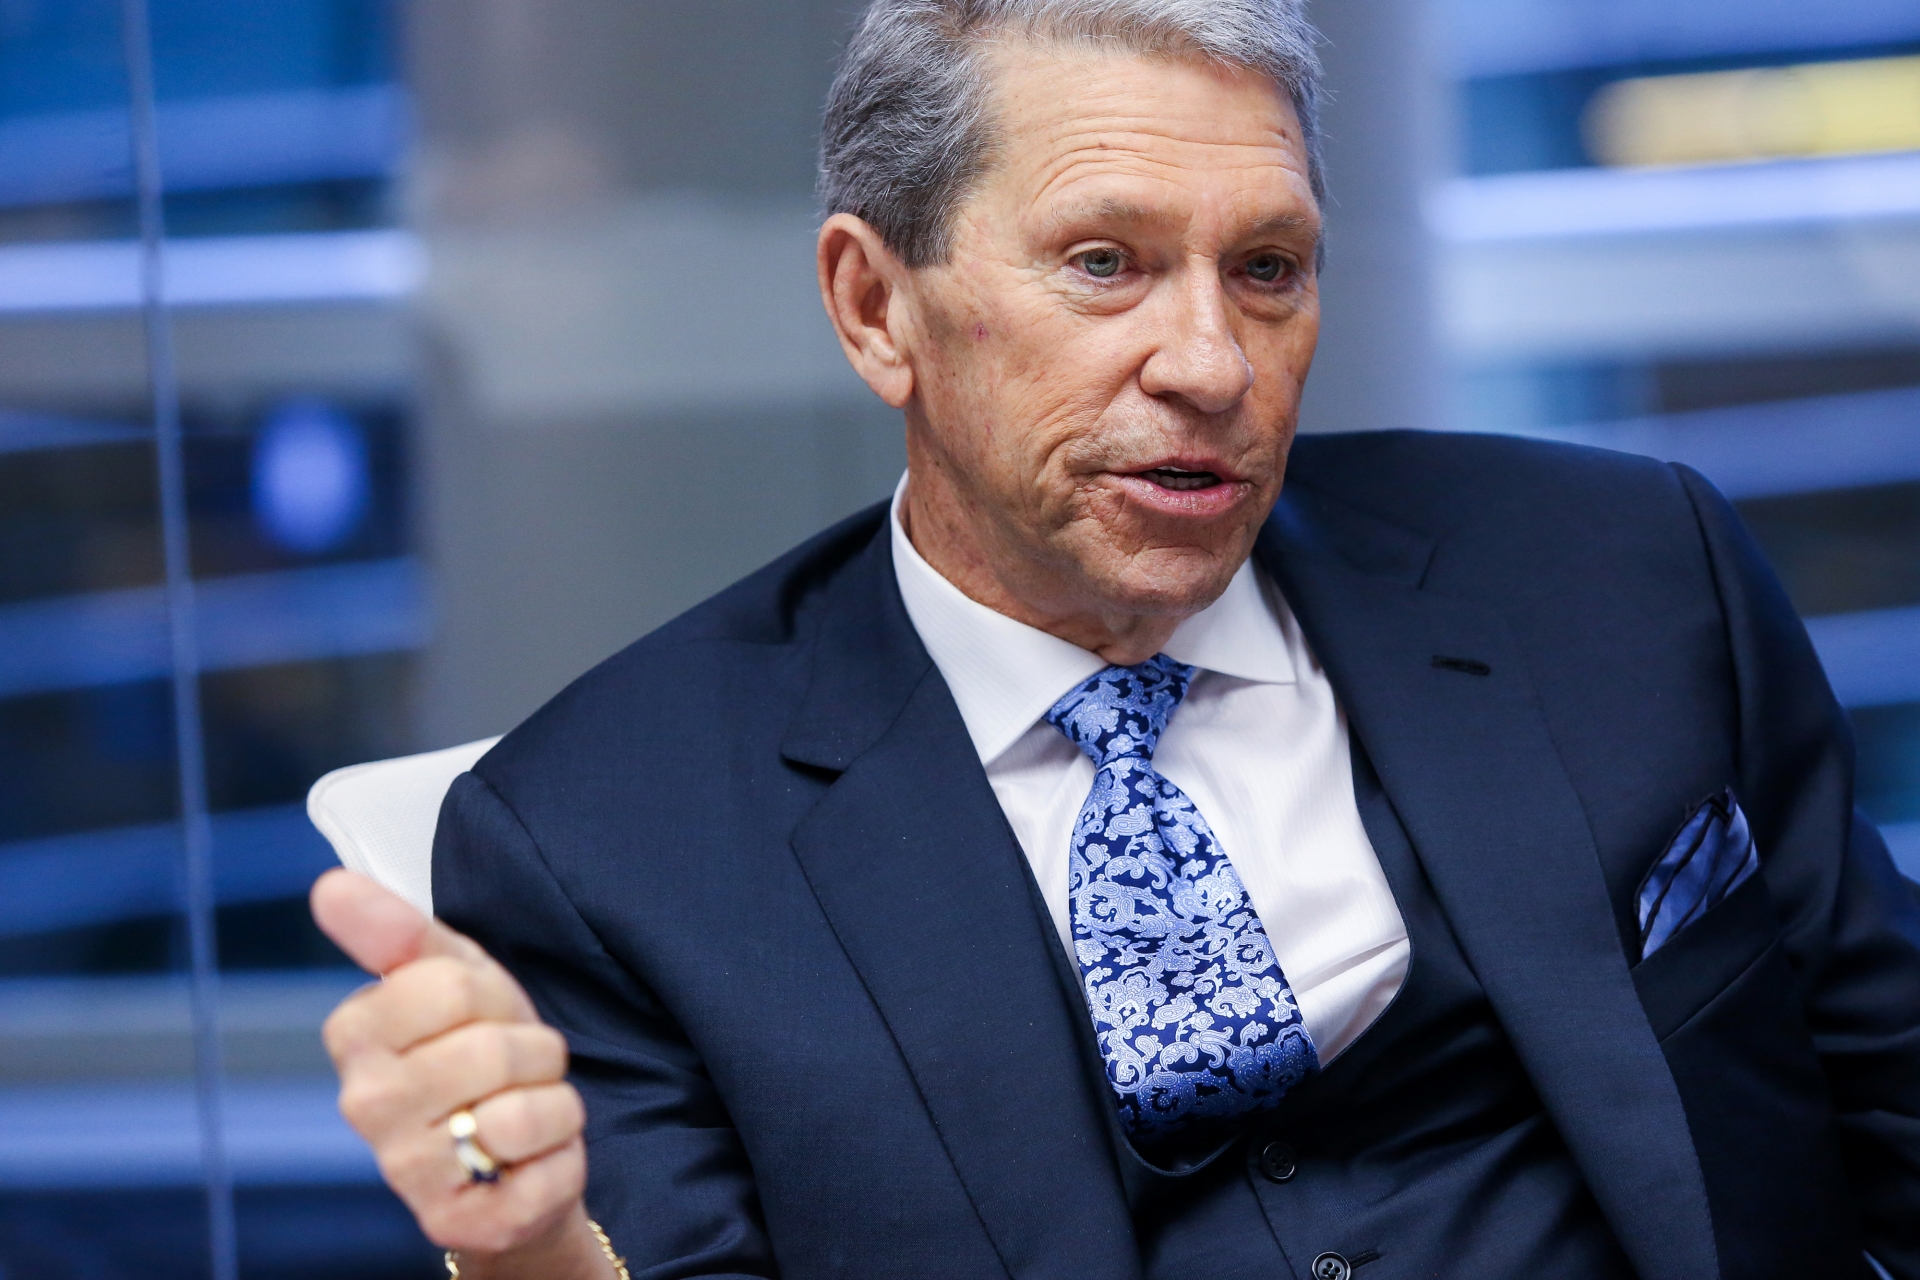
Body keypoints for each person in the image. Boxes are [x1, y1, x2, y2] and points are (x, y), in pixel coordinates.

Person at [310, 1, 1920, 1276]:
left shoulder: (1620, 573)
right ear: (875, 307)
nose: (1211, 363)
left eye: (1268, 269)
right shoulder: (602, 842)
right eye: (1105, 265)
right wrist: (531, 1256)